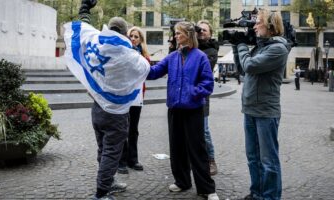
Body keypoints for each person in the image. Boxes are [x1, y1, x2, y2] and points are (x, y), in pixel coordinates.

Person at [66, 1, 150, 200]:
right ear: (124, 32)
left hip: (97, 109)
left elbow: (84, 27)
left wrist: (85, 9)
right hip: (116, 113)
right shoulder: (129, 56)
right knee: (112, 152)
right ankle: (102, 192)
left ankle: (108, 181)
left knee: (104, 149)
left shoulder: (95, 42)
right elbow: (146, 68)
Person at [147, 21, 219, 200]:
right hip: (175, 109)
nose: (175, 36)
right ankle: (182, 181)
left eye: (178, 33)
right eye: (175, 33)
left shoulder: (200, 56)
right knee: (177, 148)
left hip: (193, 109)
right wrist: (137, 65)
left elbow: (208, 84)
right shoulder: (172, 57)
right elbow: (154, 72)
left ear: (188, 34)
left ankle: (207, 189)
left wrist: (191, 93)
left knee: (197, 150)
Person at [231, 9, 291, 200]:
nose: (254, 26)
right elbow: (242, 70)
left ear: (271, 26)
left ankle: (270, 197)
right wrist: (236, 46)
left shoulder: (278, 48)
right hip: (250, 109)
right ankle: (257, 193)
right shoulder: (260, 47)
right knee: (253, 158)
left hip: (266, 111)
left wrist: (241, 46)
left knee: (268, 161)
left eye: (258, 23)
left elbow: (250, 65)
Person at [118, 26, 150, 174]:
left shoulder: (144, 55)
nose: (133, 39)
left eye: (136, 37)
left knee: (133, 129)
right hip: (124, 96)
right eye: (131, 36)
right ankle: (122, 161)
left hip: (137, 97)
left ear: (141, 40)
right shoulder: (122, 52)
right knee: (123, 128)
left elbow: (147, 70)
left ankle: (133, 159)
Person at [197, 20, 219, 176]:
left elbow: (203, 69)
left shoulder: (211, 51)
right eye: (199, 30)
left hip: (202, 95)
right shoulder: (190, 47)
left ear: (210, 33)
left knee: (204, 130)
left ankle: (211, 160)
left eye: (205, 30)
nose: (201, 32)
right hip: (187, 94)